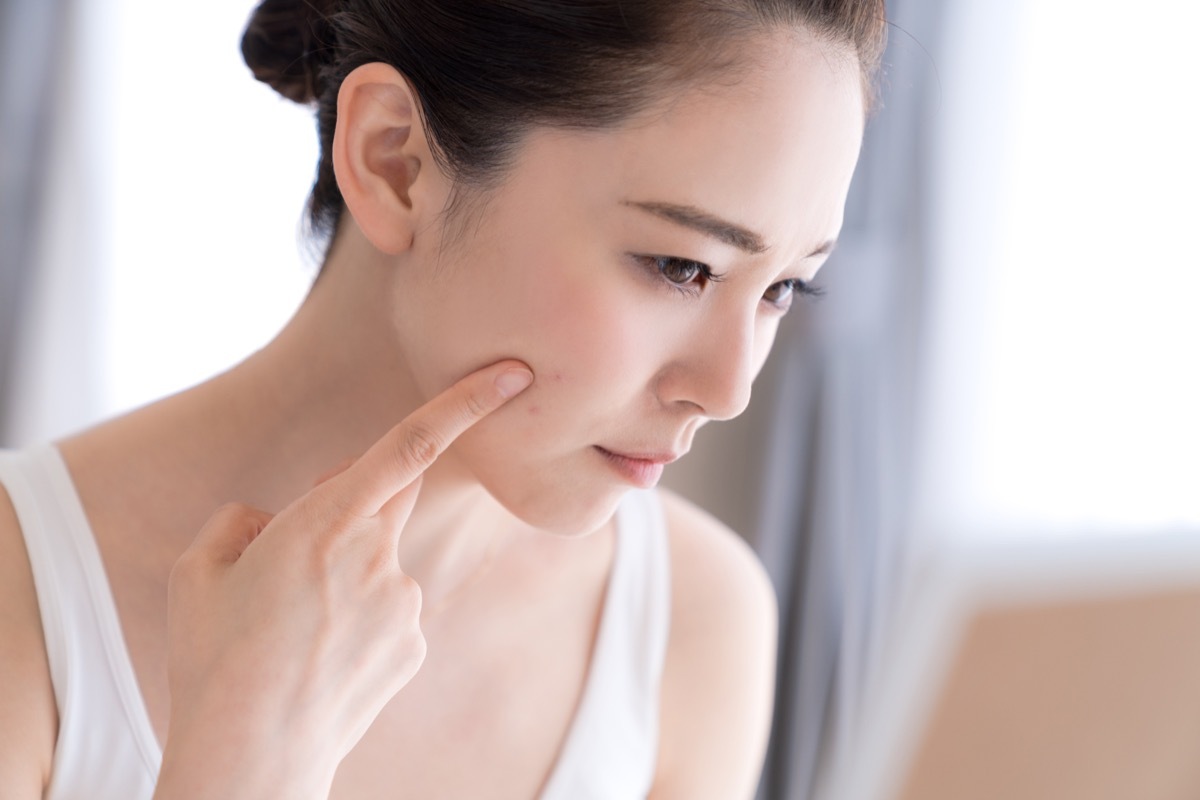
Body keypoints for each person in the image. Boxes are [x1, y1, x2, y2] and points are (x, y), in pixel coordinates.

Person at [0, 0, 885, 797]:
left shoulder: (694, 623)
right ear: (396, 162)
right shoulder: (22, 595)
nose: (728, 390)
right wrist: (242, 764)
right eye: (680, 266)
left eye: (784, 290)